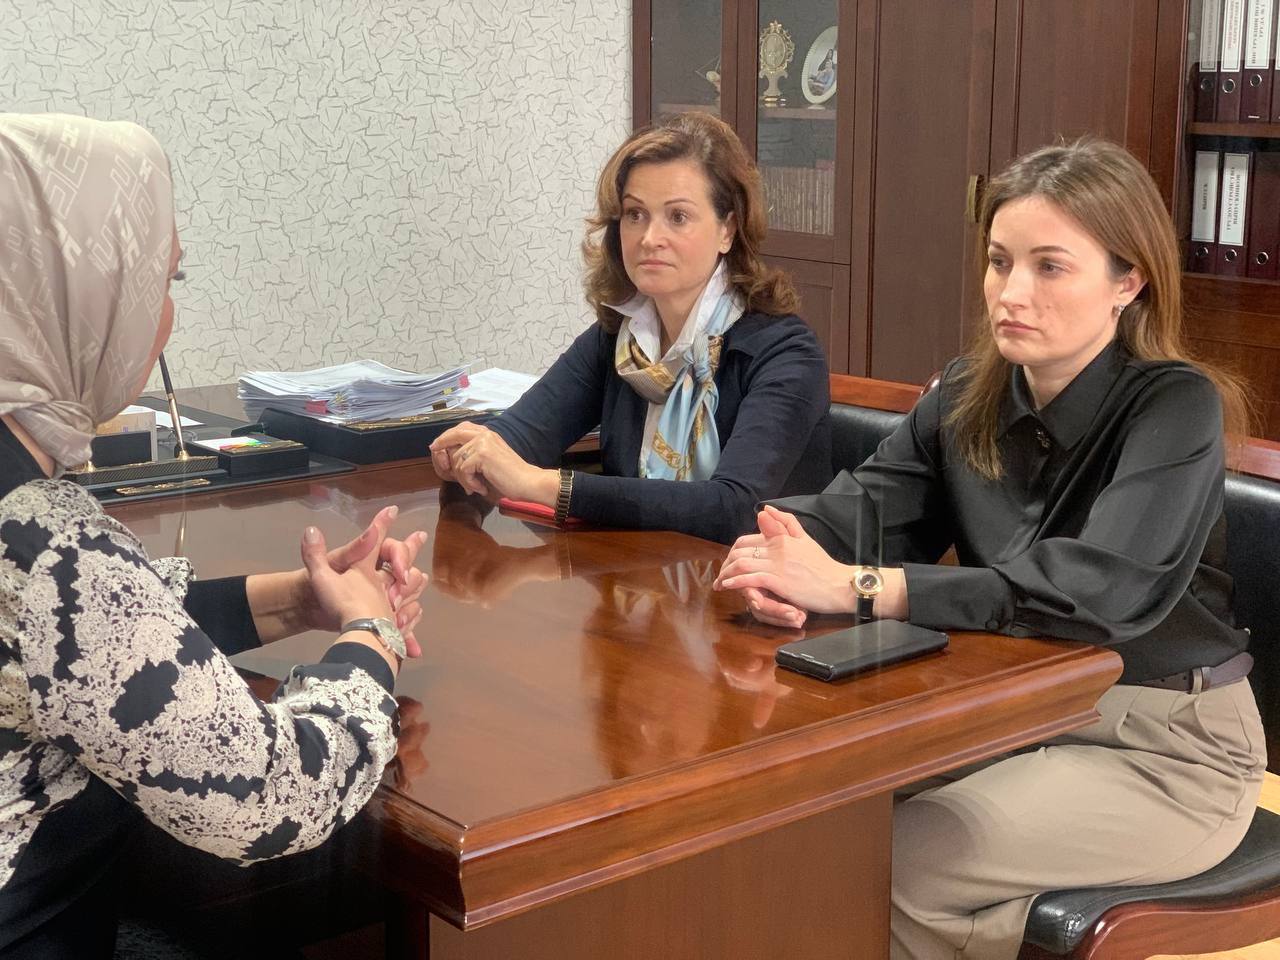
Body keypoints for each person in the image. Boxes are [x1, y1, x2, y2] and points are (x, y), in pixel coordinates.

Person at [714, 138, 1266, 959]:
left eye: (1051, 267)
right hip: (1016, 714)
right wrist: (773, 553)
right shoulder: (966, 394)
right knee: (795, 818)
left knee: (891, 864)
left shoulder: (1175, 406)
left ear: (1128, 281)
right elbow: (853, 515)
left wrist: (863, 587)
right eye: (1000, 261)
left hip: (1168, 745)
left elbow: (1093, 590)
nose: (1012, 292)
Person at [0, 113, 429, 958]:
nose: (164, 318)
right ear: (76, 293)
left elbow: (85, 644)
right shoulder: (43, 543)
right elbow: (270, 795)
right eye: (162, 281)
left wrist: (300, 600)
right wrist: (370, 637)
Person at [429, 111, 833, 544]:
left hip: (759, 579)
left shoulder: (785, 354)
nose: (649, 237)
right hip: (639, 573)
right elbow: (518, 439)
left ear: (727, 230)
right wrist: (470, 453)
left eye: (678, 217)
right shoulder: (619, 339)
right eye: (635, 214)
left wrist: (542, 485)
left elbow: (734, 509)